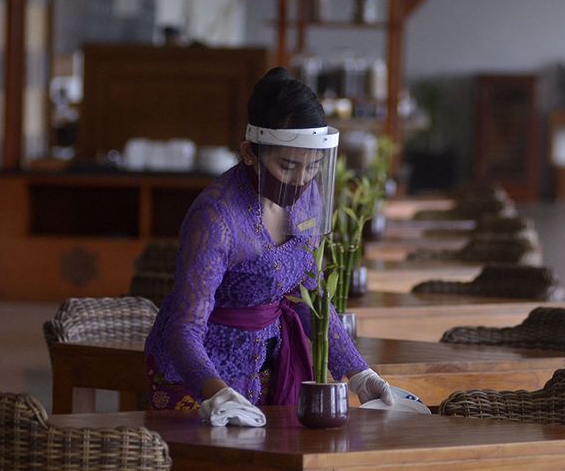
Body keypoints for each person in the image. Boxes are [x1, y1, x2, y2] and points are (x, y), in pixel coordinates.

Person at [144, 67, 393, 426]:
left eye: (313, 168)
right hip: (195, 375)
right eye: (287, 166)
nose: (302, 181)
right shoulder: (217, 216)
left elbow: (308, 292)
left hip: (266, 365)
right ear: (249, 153)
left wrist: (358, 372)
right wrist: (213, 391)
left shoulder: (309, 200)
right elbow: (185, 327)